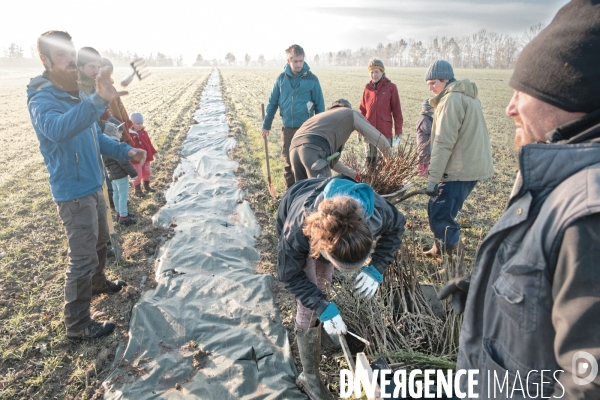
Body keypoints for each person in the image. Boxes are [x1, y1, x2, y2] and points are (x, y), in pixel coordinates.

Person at [440, 1, 600, 397]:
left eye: (522, 92)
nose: (510, 108)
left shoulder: (589, 215)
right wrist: (489, 293)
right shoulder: (559, 183)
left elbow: (586, 382)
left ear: (568, 97)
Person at [27, 31, 147, 340]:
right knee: (81, 257)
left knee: (100, 242)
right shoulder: (42, 99)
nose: (71, 60)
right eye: (62, 55)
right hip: (73, 193)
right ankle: (77, 324)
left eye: (72, 53)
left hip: (94, 184)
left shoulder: (75, 94)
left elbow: (94, 135)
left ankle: (98, 283)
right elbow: (58, 129)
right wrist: (96, 100)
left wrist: (126, 150)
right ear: (46, 60)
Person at [277, 175, 405, 399]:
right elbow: (289, 274)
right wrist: (320, 306)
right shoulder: (296, 232)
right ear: (323, 249)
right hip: (298, 205)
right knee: (309, 300)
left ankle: (323, 332)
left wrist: (376, 267)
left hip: (331, 218)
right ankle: (309, 377)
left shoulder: (374, 212)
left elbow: (397, 225)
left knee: (323, 280)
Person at [423, 59, 494, 268]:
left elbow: (443, 142)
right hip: (470, 167)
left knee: (442, 214)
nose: (430, 87)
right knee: (437, 208)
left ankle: (454, 268)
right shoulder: (466, 97)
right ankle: (439, 249)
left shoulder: (451, 100)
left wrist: (433, 180)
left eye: (433, 82)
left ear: (445, 79)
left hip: (458, 169)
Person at [262, 44, 325, 189]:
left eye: (301, 61)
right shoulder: (281, 79)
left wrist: (320, 129)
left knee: (306, 161)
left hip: (307, 128)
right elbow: (272, 103)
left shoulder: (312, 80)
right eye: (295, 61)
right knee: (288, 162)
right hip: (288, 128)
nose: (298, 64)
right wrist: (266, 126)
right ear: (288, 61)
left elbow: (320, 106)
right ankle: (290, 193)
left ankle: (306, 192)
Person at [289, 99, 392, 182]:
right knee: (322, 199)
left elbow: (331, 162)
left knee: (302, 194)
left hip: (294, 149)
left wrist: (356, 176)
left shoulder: (321, 118)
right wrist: (389, 162)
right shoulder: (350, 113)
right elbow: (379, 140)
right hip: (315, 147)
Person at [359, 58, 403, 165]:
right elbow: (362, 110)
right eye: (372, 72)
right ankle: (370, 182)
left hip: (384, 132)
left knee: (384, 163)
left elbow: (397, 111)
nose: (374, 75)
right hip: (368, 131)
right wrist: (359, 130)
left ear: (382, 72)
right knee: (370, 162)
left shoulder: (391, 87)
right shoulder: (367, 88)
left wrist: (398, 131)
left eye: (376, 72)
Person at [102, 119, 138, 225]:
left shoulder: (105, 145)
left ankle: (119, 213)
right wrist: (133, 173)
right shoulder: (115, 145)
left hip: (112, 176)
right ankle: (124, 217)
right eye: (120, 132)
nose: (121, 135)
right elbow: (124, 162)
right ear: (113, 131)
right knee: (123, 196)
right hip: (120, 175)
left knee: (116, 194)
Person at [98, 58, 135, 146]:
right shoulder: (95, 93)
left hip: (122, 137)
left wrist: (129, 127)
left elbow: (121, 109)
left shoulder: (112, 89)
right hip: (108, 142)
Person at [128, 112, 158, 197]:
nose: (140, 125)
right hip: (136, 158)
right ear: (132, 123)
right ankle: (137, 190)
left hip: (146, 157)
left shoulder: (144, 133)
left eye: (141, 123)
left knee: (147, 171)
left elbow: (149, 143)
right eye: (137, 123)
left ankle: (147, 185)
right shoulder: (129, 134)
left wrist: (154, 152)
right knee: (138, 174)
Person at [415, 99, 433, 177]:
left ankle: (424, 172)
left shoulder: (426, 117)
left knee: (426, 156)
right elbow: (429, 130)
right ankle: (422, 173)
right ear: (428, 109)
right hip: (424, 141)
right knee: (424, 156)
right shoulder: (424, 118)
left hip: (426, 141)